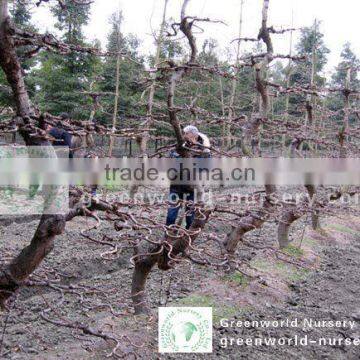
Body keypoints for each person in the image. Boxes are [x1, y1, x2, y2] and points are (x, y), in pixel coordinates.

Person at [165, 125, 211, 229]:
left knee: (190, 215)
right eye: (183, 134)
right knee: (171, 214)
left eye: (186, 134)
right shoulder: (179, 146)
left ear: (193, 135)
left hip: (193, 187)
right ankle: (168, 235)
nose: (184, 136)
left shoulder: (203, 149)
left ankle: (187, 236)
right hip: (176, 185)